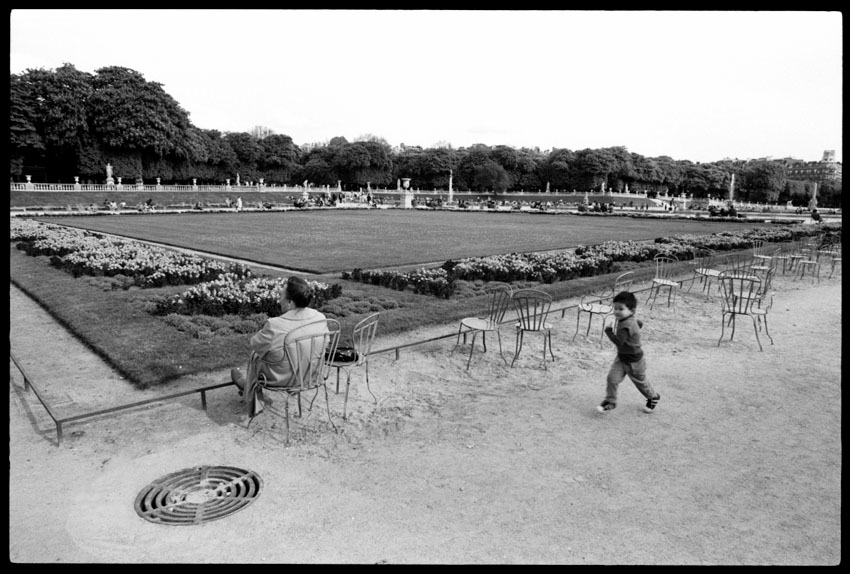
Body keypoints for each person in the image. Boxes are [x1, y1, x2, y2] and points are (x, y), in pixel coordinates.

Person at [231, 277, 328, 416]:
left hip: (281, 378)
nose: (278, 300)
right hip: (310, 375)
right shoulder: (320, 317)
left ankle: (249, 388)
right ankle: (248, 386)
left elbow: (255, 344)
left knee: (256, 356)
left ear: (290, 302)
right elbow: (325, 344)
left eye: (281, 296)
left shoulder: (275, 325)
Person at [597, 291, 661, 414]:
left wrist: (609, 331)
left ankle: (653, 397)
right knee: (612, 379)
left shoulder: (626, 324)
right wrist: (636, 328)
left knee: (640, 382)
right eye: (615, 308)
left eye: (621, 309)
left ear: (632, 310)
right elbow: (639, 323)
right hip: (622, 358)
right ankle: (610, 401)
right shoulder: (629, 319)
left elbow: (619, 341)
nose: (616, 311)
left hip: (634, 361)